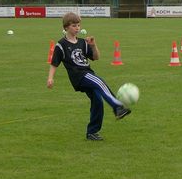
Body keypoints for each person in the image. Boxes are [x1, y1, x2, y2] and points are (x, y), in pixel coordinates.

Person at [47, 12, 130, 141]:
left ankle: (92, 132)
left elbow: (96, 57)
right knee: (100, 82)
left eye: (78, 25)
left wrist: (93, 45)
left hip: (88, 74)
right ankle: (118, 107)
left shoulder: (82, 42)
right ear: (66, 27)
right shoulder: (61, 45)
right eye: (74, 25)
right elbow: (54, 63)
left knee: (97, 100)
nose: (77, 28)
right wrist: (50, 78)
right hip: (79, 76)